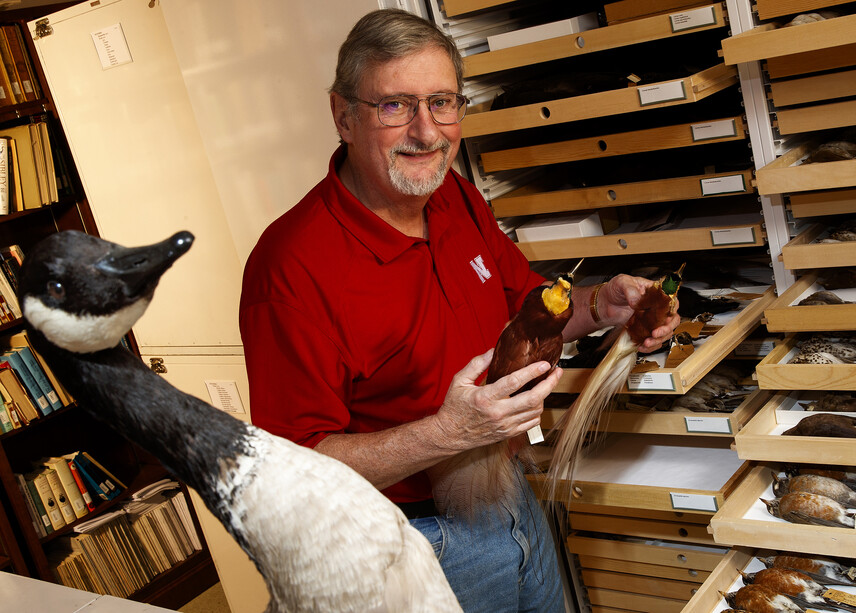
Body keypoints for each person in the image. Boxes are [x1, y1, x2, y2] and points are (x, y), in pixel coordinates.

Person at [239, 8, 680, 613]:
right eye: (395, 106)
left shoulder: (454, 196)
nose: (427, 132)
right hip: (411, 543)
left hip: (507, 496)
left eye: (442, 102)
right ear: (343, 116)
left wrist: (599, 305)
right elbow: (292, 473)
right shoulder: (291, 268)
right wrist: (449, 434)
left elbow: (527, 314)